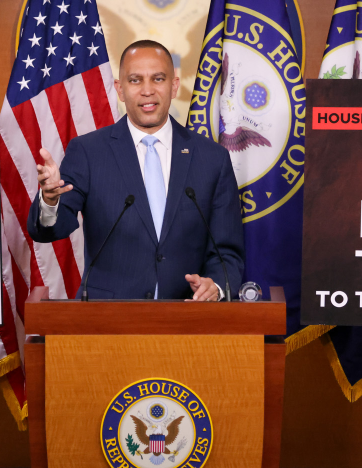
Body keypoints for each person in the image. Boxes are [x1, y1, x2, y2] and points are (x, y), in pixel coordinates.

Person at [26, 40, 244, 301]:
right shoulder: (88, 152)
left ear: (174, 86)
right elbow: (51, 230)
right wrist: (50, 201)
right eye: (135, 80)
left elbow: (227, 251)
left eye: (158, 79)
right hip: (108, 316)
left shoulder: (212, 158)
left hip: (186, 313)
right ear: (120, 89)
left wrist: (216, 286)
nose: (147, 90)